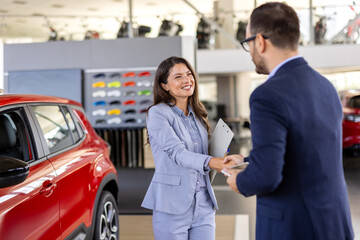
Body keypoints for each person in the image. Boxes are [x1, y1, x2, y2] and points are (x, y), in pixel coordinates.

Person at [223, 2, 354, 240]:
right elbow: (307, 149)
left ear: (260, 41)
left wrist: (239, 181)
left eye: (248, 43)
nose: (250, 51)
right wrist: (247, 159)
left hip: (294, 227)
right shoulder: (326, 87)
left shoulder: (267, 95)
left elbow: (266, 177)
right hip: (334, 222)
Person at [141, 56, 236, 240]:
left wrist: (221, 155)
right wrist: (212, 161)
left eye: (188, 74)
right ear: (164, 86)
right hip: (172, 205)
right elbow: (178, 153)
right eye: (178, 77)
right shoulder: (158, 113)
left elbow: (201, 154)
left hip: (204, 203)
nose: (187, 80)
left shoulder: (198, 114)